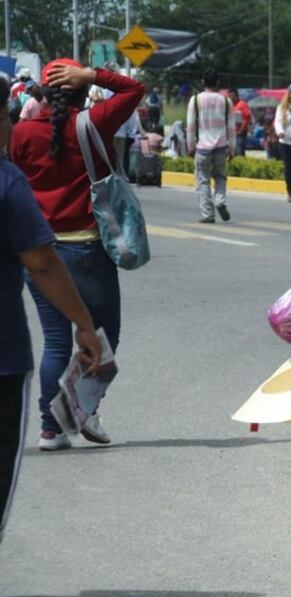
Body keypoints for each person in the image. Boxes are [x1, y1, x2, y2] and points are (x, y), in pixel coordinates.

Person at [10, 58, 144, 451]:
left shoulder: (20, 132)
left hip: (40, 255)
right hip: (87, 249)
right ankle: (83, 410)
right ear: (84, 91)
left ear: (42, 93)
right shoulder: (93, 122)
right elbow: (134, 89)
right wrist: (93, 74)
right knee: (102, 338)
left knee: (55, 341)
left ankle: (50, 429)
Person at [0, 76, 104, 543]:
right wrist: (86, 324)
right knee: (61, 339)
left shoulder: (23, 142)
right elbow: (41, 263)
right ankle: (56, 422)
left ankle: (51, 427)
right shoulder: (7, 182)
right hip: (3, 358)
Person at [186, 68, 235, 223]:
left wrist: (190, 146)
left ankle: (208, 213)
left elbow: (191, 126)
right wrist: (232, 149)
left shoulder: (195, 100)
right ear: (218, 82)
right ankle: (220, 200)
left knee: (203, 180)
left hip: (202, 147)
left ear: (202, 82)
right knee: (220, 177)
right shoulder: (226, 101)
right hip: (221, 146)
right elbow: (231, 128)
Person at [228, 89, 252, 158]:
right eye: (229, 96)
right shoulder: (229, 105)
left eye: (232, 96)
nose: (231, 98)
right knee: (232, 153)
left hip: (240, 133)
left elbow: (247, 118)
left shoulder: (242, 104)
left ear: (237, 96)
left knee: (239, 152)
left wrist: (241, 130)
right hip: (231, 133)